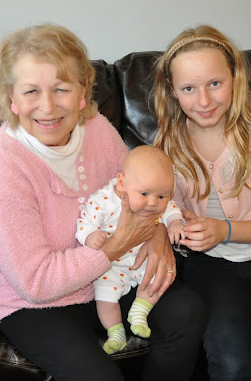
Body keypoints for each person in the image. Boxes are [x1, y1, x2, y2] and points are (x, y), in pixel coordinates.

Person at [0, 24, 205, 381]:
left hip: (108, 276)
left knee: (187, 311)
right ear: (11, 97)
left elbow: (140, 192)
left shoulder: (97, 129)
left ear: (83, 91)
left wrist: (156, 232)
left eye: (61, 88)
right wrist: (117, 245)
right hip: (28, 302)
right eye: (31, 91)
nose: (48, 106)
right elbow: (35, 283)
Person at [151, 24, 251, 381]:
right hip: (209, 264)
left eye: (215, 83)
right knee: (230, 364)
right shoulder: (167, 142)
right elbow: (165, 207)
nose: (204, 101)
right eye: (189, 88)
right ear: (172, 91)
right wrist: (175, 220)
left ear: (235, 78)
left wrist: (224, 230)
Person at [75, 145, 185, 355]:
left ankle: (139, 311)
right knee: (104, 297)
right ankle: (115, 333)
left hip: (143, 259)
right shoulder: (103, 201)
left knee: (161, 276)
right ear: (122, 183)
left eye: (162, 196)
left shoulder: (157, 198)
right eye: (144, 194)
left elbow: (172, 210)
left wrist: (175, 223)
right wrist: (90, 236)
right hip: (111, 266)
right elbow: (84, 223)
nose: (152, 203)